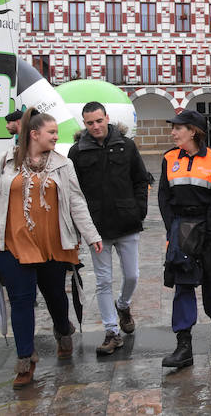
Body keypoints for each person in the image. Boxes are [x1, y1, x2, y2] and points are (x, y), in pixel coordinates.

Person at [0, 109, 103, 389]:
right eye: (51, 132)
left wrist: (91, 235)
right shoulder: (3, 162)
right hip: (11, 244)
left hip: (52, 244)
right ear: (34, 134)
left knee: (55, 295)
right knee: (21, 301)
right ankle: (26, 360)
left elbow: (76, 202)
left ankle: (63, 328)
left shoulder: (62, 164)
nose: (56, 136)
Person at [68, 101, 150, 356]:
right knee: (103, 281)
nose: (95, 126)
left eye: (99, 121)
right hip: (98, 228)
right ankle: (112, 332)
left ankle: (123, 305)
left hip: (127, 223)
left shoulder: (126, 145)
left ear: (107, 118)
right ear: (85, 124)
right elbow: (73, 192)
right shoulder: (77, 152)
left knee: (132, 275)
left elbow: (140, 179)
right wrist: (82, 228)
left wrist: (139, 210)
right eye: (90, 122)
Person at [158, 109, 211, 369]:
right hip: (180, 229)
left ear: (193, 131)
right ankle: (183, 346)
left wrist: (207, 235)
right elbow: (163, 196)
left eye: (178, 128)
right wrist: (172, 228)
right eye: (173, 128)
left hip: (208, 230)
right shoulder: (169, 158)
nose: (173, 132)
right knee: (183, 286)